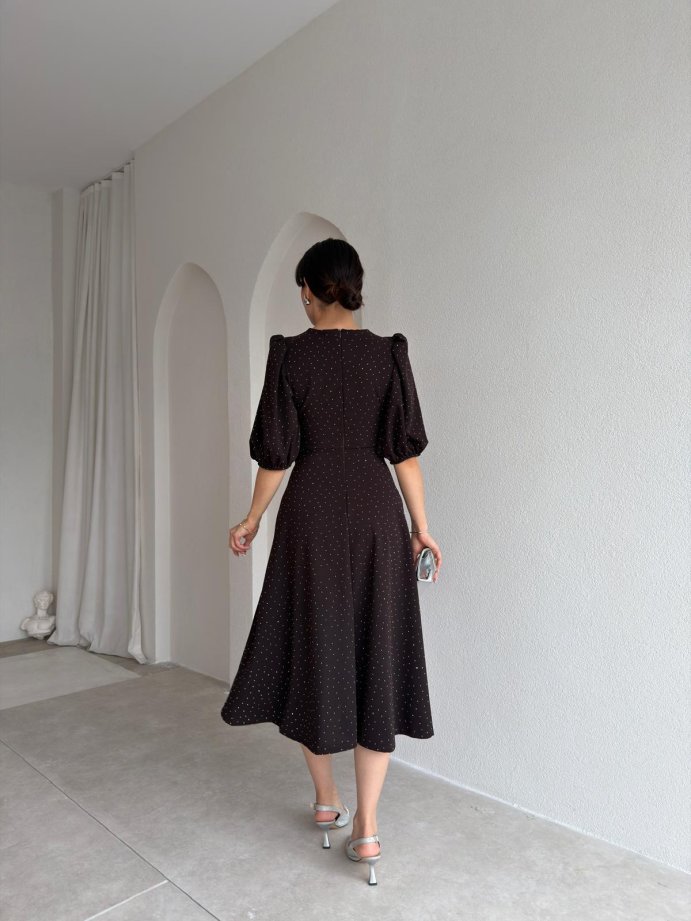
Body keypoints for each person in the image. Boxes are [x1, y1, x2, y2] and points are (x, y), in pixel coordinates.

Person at [221, 238, 442, 885]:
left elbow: (277, 456)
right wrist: (422, 529)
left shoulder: (290, 355)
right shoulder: (388, 353)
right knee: (378, 655)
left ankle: (326, 799)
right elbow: (404, 455)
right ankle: (367, 829)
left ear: (307, 291)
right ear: (354, 287)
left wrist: (252, 517)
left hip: (311, 512)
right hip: (376, 512)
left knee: (309, 647)